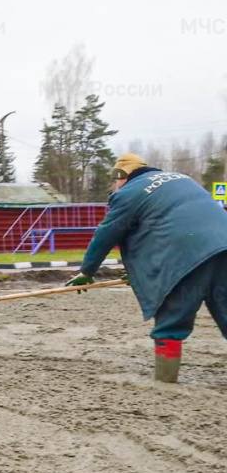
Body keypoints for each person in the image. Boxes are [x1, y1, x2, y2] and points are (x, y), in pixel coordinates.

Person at [66, 153, 227, 382]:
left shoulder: (128, 193)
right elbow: (161, 229)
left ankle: (165, 387)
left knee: (172, 319)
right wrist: (139, 271)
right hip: (224, 245)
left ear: (122, 176)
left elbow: (107, 233)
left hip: (185, 257)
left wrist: (86, 271)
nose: (115, 186)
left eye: (115, 180)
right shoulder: (183, 179)